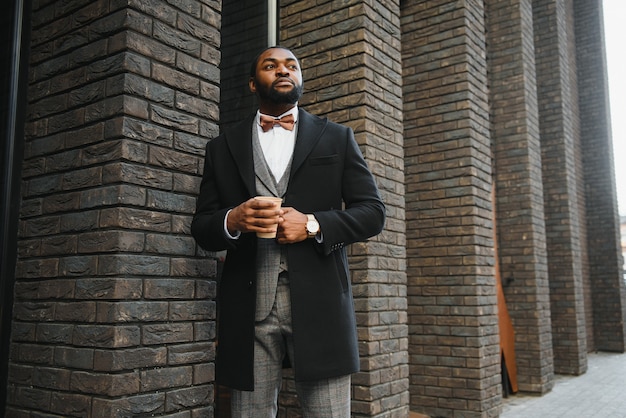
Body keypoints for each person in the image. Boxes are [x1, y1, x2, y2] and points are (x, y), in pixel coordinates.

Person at [191, 46, 385, 417]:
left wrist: (313, 224)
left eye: (291, 65)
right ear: (252, 83)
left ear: (299, 79)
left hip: (321, 303)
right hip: (248, 307)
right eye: (271, 65)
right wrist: (233, 219)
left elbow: (373, 213)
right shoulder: (221, 148)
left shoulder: (337, 138)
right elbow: (202, 226)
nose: (283, 70)